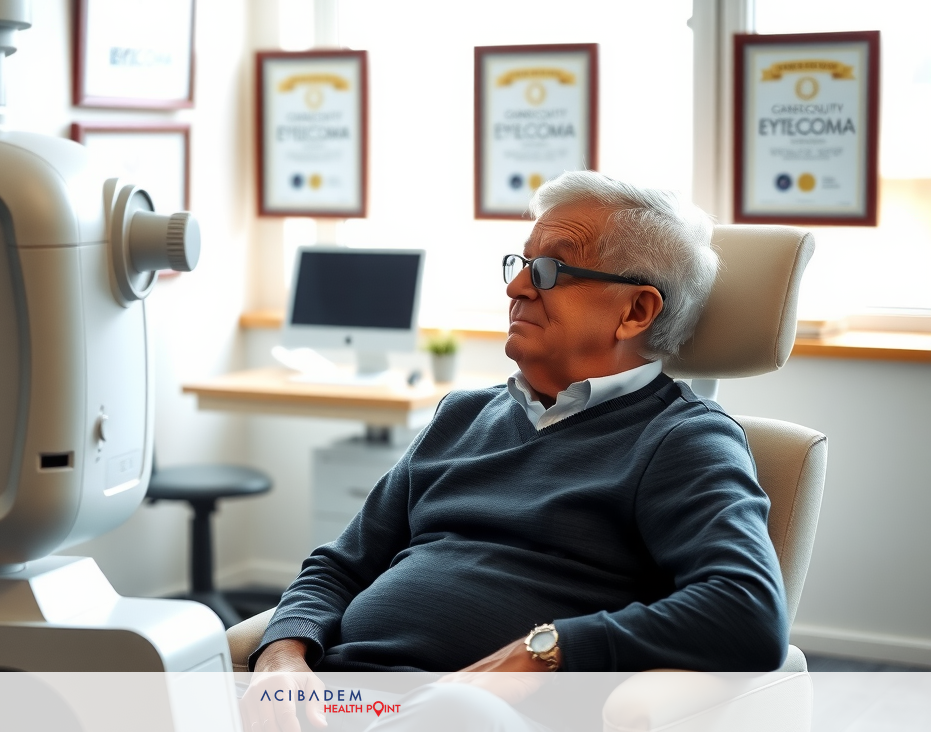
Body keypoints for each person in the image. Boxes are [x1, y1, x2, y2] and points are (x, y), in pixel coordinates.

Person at [245, 171, 788, 730]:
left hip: (468, 712)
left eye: (550, 270)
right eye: (520, 264)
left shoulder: (683, 439)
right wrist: (282, 654)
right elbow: (340, 564)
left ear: (636, 312)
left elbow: (747, 611)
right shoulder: (462, 415)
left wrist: (546, 650)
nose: (516, 288)